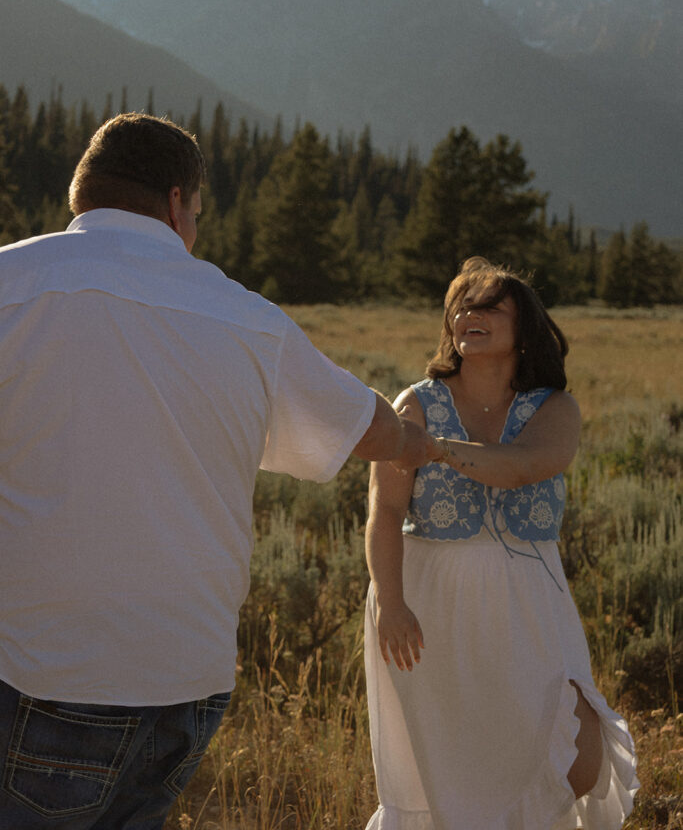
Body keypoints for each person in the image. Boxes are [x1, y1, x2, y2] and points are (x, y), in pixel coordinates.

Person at [0, 113, 441, 830]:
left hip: (44, 670)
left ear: (84, 192)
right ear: (177, 202)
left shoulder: (13, 283)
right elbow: (370, 429)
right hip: (189, 678)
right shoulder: (249, 319)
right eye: (199, 214)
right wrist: (420, 444)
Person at [364, 257, 639, 830]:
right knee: (456, 764)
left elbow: (522, 467)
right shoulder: (414, 404)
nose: (472, 314)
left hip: (531, 598)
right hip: (430, 602)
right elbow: (384, 513)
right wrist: (390, 600)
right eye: (463, 306)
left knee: (580, 758)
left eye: (490, 306)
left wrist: (438, 449)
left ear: (525, 327)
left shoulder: (556, 409)